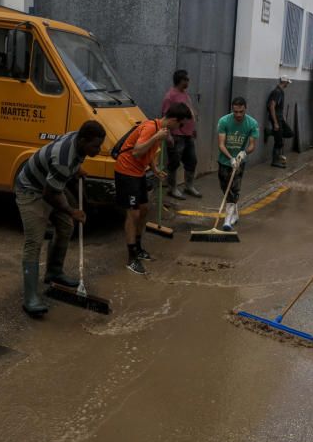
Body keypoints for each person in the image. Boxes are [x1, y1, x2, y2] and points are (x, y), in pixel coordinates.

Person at [14, 121, 106, 316]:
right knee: (34, 241)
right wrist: (72, 211)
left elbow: (61, 178)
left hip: (49, 184)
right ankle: (30, 298)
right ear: (82, 140)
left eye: (99, 145)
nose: (98, 150)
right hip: (31, 191)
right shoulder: (63, 160)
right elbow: (50, 195)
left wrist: (76, 170)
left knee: (66, 227)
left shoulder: (77, 141)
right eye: (95, 146)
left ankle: (53, 272)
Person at [115, 103, 192, 275]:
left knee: (144, 209)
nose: (180, 129)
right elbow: (136, 152)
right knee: (133, 212)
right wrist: (156, 137)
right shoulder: (152, 128)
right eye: (180, 124)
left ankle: (138, 246)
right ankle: (131, 257)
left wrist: (155, 169)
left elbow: (147, 152)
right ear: (173, 120)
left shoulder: (160, 130)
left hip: (138, 172)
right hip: (126, 171)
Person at [216, 97, 259, 232]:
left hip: (240, 160)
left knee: (234, 188)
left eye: (241, 111)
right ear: (232, 110)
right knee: (225, 187)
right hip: (224, 160)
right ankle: (234, 211)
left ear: (245, 109)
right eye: (236, 112)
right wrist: (230, 158)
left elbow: (252, 145)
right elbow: (221, 144)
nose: (238, 115)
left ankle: (227, 220)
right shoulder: (224, 121)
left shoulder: (252, 123)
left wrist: (243, 153)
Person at [160, 69, 201, 200]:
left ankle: (189, 186)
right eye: (186, 79)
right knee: (174, 162)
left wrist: (193, 128)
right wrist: (169, 135)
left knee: (192, 160)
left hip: (188, 135)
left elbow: (190, 112)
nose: (188, 82)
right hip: (176, 135)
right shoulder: (170, 96)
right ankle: (172, 188)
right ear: (180, 80)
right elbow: (165, 117)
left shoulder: (185, 94)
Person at [266, 76, 290, 168]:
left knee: (289, 133)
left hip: (280, 118)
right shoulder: (277, 92)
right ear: (284, 82)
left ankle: (269, 132)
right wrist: (275, 122)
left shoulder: (280, 91)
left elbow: (278, 107)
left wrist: (282, 116)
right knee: (279, 142)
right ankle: (275, 161)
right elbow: (272, 106)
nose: (288, 84)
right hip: (276, 119)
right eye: (287, 83)